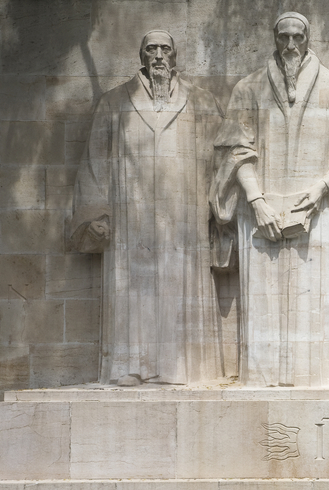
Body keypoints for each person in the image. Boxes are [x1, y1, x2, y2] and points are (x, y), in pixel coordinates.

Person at [210, 12, 329, 387]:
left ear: (307, 40)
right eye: (284, 37)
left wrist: (320, 190)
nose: (290, 45)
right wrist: (256, 201)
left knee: (318, 303)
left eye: (297, 37)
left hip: (323, 210)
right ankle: (262, 380)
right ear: (275, 39)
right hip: (261, 211)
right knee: (265, 305)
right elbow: (234, 150)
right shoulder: (248, 89)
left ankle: (322, 379)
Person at [70, 30, 225, 386]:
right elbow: (95, 161)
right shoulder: (113, 103)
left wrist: (219, 213)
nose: (158, 55)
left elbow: (224, 159)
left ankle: (180, 367)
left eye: (165, 49)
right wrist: (95, 215)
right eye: (151, 49)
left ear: (175, 58)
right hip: (131, 218)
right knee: (133, 288)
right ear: (141, 57)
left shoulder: (202, 102)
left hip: (185, 217)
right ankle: (130, 366)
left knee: (179, 286)